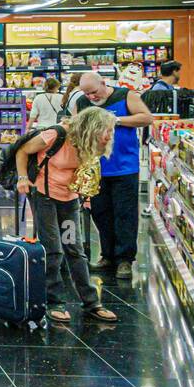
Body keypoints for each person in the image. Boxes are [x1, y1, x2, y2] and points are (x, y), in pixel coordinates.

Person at [15, 107, 118, 323]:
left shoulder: (90, 143)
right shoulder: (57, 134)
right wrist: (23, 178)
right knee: (53, 250)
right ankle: (55, 302)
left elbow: (85, 172)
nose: (109, 135)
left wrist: (85, 197)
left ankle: (92, 303)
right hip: (44, 195)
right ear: (92, 127)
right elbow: (22, 150)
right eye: (106, 130)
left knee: (75, 249)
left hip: (70, 198)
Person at [73, 72, 154, 280]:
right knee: (101, 214)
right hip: (95, 169)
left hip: (125, 167)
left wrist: (115, 120)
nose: (91, 97)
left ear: (103, 83)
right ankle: (107, 255)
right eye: (86, 93)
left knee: (125, 214)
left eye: (94, 92)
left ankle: (125, 260)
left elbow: (146, 118)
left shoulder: (125, 96)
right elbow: (73, 127)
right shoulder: (82, 102)